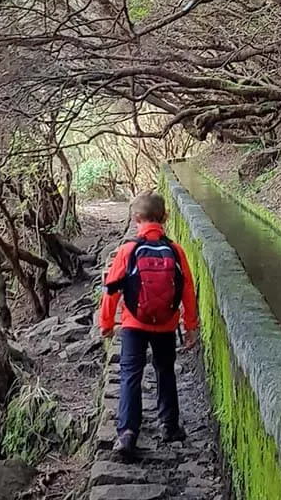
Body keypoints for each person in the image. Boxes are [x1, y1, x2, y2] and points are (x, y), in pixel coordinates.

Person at [98, 191, 200, 457]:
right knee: (165, 370)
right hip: (166, 324)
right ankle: (169, 426)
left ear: (136, 219)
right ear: (165, 217)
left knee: (131, 374)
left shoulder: (128, 250)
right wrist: (190, 326)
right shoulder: (175, 251)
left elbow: (112, 290)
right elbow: (187, 289)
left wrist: (106, 323)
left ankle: (128, 433)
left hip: (133, 324)